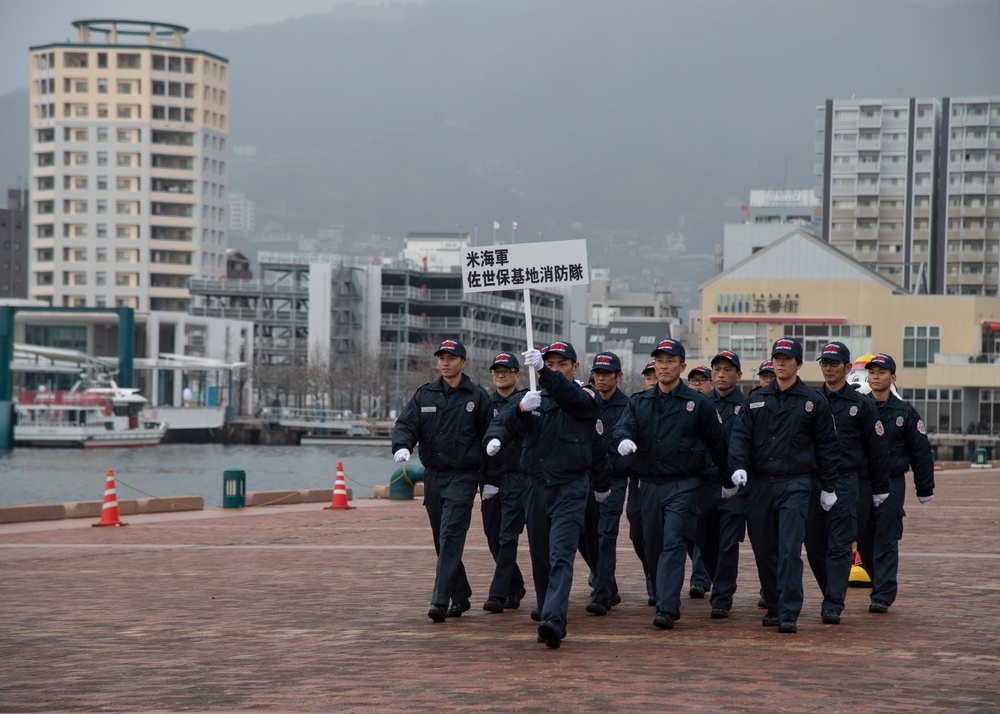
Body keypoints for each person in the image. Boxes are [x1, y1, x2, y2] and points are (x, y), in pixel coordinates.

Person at [485, 340, 611, 648]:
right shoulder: (534, 396)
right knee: (540, 555)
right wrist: (520, 409)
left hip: (570, 485)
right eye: (549, 364)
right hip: (536, 485)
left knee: (561, 553)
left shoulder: (586, 395)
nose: (555, 369)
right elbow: (506, 424)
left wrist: (544, 373)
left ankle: (555, 619)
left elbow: (576, 402)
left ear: (575, 367)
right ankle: (547, 609)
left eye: (561, 364)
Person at [614, 338, 731, 631]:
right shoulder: (640, 402)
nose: (664, 366)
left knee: (674, 542)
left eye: (670, 361)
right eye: (660, 361)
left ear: (682, 366)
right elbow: (623, 428)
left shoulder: (698, 404)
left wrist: (728, 477)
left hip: (683, 484)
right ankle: (661, 591)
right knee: (650, 544)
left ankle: (667, 607)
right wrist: (623, 440)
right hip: (648, 485)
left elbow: (717, 443)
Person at [727, 337, 840, 634]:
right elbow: (740, 437)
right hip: (761, 484)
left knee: (790, 549)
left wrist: (828, 487)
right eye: (776, 357)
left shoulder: (813, 402)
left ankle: (789, 611)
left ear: (798, 364)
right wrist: (738, 467)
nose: (779, 362)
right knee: (764, 549)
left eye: (786, 358)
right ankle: (775, 606)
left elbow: (827, 446)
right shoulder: (755, 399)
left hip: (796, 483)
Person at [391, 338, 492, 623]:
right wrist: (402, 444)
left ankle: (440, 599)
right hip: (434, 477)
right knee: (442, 539)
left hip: (463, 477)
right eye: (441, 358)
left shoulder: (477, 396)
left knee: (450, 536)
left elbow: (492, 436)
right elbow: (406, 424)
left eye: (451, 357)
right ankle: (461, 594)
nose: (445, 363)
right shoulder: (425, 395)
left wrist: (489, 481)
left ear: (463, 362)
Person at [804, 342, 887, 625]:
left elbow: (875, 450)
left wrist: (879, 488)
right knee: (813, 543)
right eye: (824, 364)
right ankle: (831, 589)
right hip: (815, 481)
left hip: (846, 480)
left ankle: (833, 603)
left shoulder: (861, 405)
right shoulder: (811, 400)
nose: (828, 368)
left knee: (840, 544)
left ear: (847, 367)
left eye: (834, 364)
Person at [859, 352, 935, 614]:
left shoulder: (904, 411)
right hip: (863, 482)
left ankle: (882, 593)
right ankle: (877, 580)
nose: (876, 376)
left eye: (881, 372)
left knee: (887, 537)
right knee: (863, 535)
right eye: (872, 372)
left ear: (892, 377)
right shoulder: (858, 407)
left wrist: (924, 487)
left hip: (891, 482)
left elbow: (921, 450)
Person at [695, 349, 747, 619]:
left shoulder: (747, 406)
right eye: (717, 369)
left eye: (728, 370)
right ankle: (719, 581)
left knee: (728, 541)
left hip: (734, 485)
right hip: (705, 483)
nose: (721, 375)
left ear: (738, 375)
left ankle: (722, 596)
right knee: (704, 539)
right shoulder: (701, 404)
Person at [585, 352, 632, 616]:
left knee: (605, 536)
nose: (601, 378)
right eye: (597, 374)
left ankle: (602, 595)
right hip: (585, 479)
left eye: (606, 374)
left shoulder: (628, 406)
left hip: (614, 479)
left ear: (618, 376)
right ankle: (607, 584)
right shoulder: (585, 402)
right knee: (585, 536)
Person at [480, 352, 528, 614]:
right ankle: (516, 584)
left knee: (508, 536)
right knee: (493, 537)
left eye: (506, 370)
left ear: (517, 375)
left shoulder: (526, 401)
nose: (500, 374)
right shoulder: (486, 404)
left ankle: (497, 594)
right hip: (492, 480)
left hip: (517, 477)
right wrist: (483, 480)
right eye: (496, 371)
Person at [684, 364, 714, 599]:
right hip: (685, 477)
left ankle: (700, 578)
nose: (696, 385)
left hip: (711, 479)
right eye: (693, 381)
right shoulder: (683, 407)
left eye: (701, 380)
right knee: (687, 532)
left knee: (703, 530)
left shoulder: (715, 408)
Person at [630, 360, 657, 604]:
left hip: (673, 480)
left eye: (656, 377)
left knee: (668, 535)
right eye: (649, 378)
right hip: (640, 479)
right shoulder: (637, 404)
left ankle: (660, 585)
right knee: (638, 533)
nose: (653, 382)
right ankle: (651, 571)